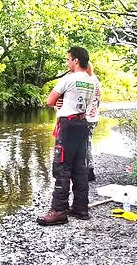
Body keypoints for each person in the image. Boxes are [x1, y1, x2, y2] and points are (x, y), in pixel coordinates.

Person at [37, 47, 99, 226]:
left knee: (62, 167)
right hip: (82, 124)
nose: (67, 62)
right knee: (80, 167)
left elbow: (49, 101)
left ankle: (59, 211)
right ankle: (81, 208)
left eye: (69, 59)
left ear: (76, 60)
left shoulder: (69, 79)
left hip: (68, 125)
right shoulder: (91, 81)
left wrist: (58, 103)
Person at [84, 63, 103, 181]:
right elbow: (98, 101)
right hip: (94, 117)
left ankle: (89, 170)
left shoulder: (87, 82)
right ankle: (88, 169)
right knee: (87, 143)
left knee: (86, 144)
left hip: (86, 118)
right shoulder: (96, 81)